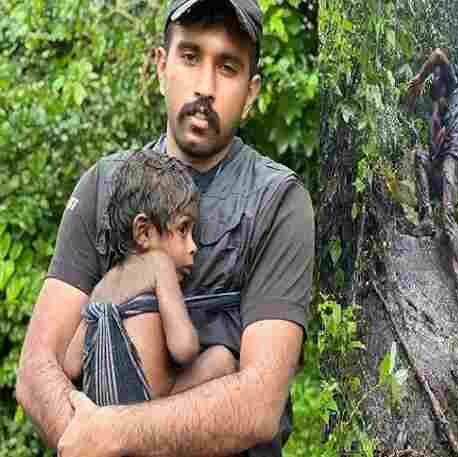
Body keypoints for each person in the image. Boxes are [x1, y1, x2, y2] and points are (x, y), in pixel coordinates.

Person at [15, 1, 314, 456]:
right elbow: (38, 367)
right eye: (191, 56)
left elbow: (260, 404)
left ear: (251, 94)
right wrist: (86, 441)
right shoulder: (105, 186)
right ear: (160, 66)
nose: (205, 87)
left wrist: (117, 434)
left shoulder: (277, 202)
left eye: (227, 67)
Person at [62, 150, 240, 406]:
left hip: (105, 412)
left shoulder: (101, 287)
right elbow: (184, 348)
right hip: (152, 408)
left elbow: (71, 365)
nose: (193, 246)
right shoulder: (159, 264)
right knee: (222, 358)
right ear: (144, 232)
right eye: (183, 229)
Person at [403, 47, 458, 326]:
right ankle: (425, 218)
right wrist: (433, 115)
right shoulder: (438, 107)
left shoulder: (456, 89)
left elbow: (437, 54)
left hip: (452, 160)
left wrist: (419, 77)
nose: (435, 81)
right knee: (419, 157)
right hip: (439, 161)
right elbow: (431, 148)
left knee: (449, 217)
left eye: (437, 77)